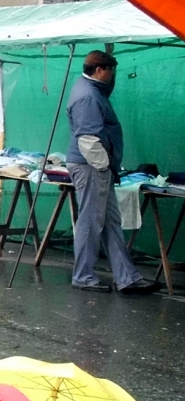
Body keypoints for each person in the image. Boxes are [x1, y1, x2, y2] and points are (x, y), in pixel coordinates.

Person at [66, 50, 161, 295]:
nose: (112, 77)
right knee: (91, 221)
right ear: (100, 70)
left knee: (110, 223)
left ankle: (127, 277)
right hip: (91, 166)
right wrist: (104, 167)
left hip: (94, 166)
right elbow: (87, 139)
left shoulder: (89, 89)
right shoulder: (88, 96)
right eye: (111, 71)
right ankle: (83, 276)